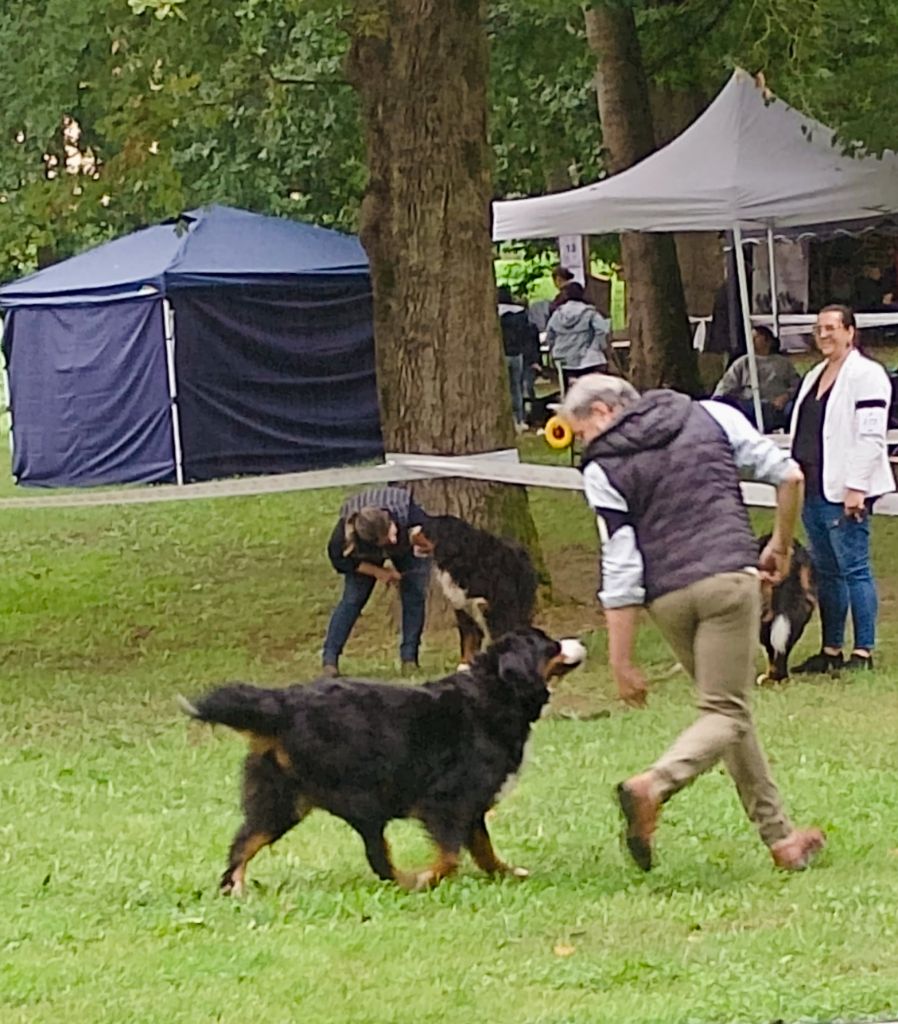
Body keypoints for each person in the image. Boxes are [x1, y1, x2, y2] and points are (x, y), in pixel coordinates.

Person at [559, 373, 824, 873]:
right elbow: (789, 476)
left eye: (579, 431)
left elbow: (620, 565)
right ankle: (653, 785)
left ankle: (782, 839)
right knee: (727, 713)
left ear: (602, 412)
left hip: (668, 599)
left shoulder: (603, 468)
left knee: (725, 716)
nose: (583, 441)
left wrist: (621, 659)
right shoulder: (710, 414)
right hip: (727, 581)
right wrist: (781, 546)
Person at [789, 305, 895, 674]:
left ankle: (862, 651)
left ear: (851, 332)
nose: (824, 335)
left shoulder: (867, 375)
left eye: (832, 328)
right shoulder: (814, 375)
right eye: (819, 328)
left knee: (854, 568)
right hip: (814, 487)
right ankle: (831, 648)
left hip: (846, 490)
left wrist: (857, 488)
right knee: (827, 571)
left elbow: (870, 437)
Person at [322, 486, 431, 677]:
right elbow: (340, 561)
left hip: (408, 543)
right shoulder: (344, 537)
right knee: (353, 600)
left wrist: (417, 542)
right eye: (387, 539)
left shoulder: (409, 512)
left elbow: (429, 535)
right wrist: (377, 571)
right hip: (364, 557)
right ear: (371, 542)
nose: (392, 538)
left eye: (392, 531)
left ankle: (409, 659)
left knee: (414, 595)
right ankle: (330, 660)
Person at [712, 325, 801, 431]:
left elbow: (797, 385)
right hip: (750, 405)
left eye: (756, 337)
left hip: (778, 406)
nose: (752, 340)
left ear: (768, 341)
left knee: (794, 409)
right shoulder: (743, 362)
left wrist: (785, 397)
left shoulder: (783, 363)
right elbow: (726, 385)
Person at [545, 282, 610, 390]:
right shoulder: (590, 312)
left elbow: (550, 333)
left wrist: (553, 349)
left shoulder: (557, 314)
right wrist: (596, 347)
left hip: (564, 359)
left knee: (569, 391)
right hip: (588, 359)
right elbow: (602, 329)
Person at [497, 286, 538, 432]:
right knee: (517, 388)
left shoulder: (495, 313)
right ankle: (519, 418)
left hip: (501, 354)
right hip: (517, 354)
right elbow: (527, 335)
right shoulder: (520, 314)